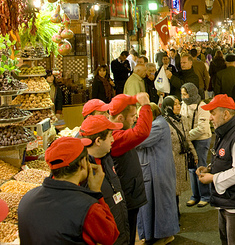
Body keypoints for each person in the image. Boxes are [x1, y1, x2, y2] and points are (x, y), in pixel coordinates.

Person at [18, 136, 120, 245]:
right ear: (82, 163)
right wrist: (96, 192)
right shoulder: (88, 208)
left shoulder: (26, 199)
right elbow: (110, 236)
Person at [196, 95, 235, 245]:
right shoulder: (225, 131)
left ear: (226, 114)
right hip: (229, 201)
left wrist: (212, 178)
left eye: (213, 113)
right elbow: (226, 160)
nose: (210, 118)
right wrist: (210, 169)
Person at [109, 93, 153, 245]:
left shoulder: (116, 132)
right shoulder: (115, 137)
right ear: (120, 118)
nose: (135, 119)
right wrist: (146, 106)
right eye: (133, 115)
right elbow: (142, 132)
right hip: (126, 194)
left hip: (130, 191)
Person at [79, 115, 129, 245]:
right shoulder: (83, 172)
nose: (113, 139)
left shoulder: (106, 158)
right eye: (110, 136)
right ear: (98, 141)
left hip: (120, 230)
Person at [136, 104, 180, 245]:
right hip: (156, 170)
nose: (138, 120)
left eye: (139, 117)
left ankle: (165, 235)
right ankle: (159, 235)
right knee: (158, 205)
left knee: (161, 205)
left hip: (159, 171)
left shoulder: (157, 125)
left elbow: (139, 140)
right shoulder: (158, 123)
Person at [160, 96, 197, 216]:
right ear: (168, 107)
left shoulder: (181, 120)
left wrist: (194, 154)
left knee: (177, 189)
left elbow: (186, 138)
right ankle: (172, 215)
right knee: (171, 188)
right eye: (174, 104)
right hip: (170, 161)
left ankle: (176, 213)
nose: (178, 106)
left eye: (178, 103)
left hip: (181, 160)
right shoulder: (163, 123)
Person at [180, 82, 212, 208]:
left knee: (200, 166)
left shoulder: (202, 107)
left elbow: (203, 128)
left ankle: (205, 196)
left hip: (202, 139)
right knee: (192, 168)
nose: (183, 97)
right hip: (190, 138)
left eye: (185, 94)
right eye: (182, 94)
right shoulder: (184, 105)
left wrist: (186, 136)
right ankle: (195, 195)